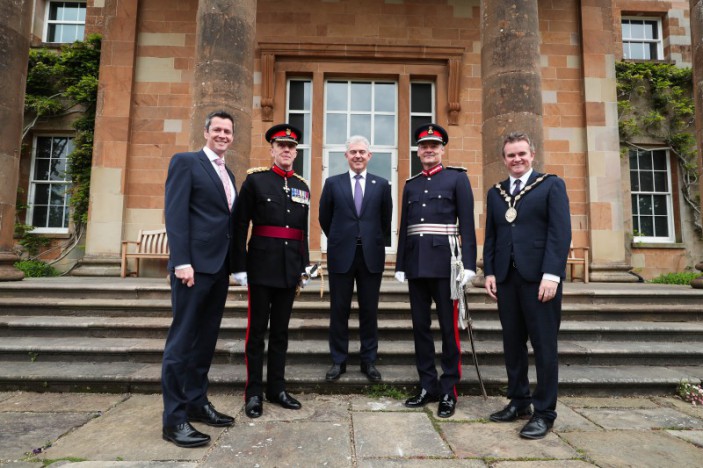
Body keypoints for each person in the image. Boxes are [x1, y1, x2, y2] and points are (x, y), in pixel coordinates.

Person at [483, 131, 571, 440]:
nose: (517, 159)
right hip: (507, 279)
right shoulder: (496, 193)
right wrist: (490, 272)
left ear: (532, 155)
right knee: (512, 344)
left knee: (544, 346)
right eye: (511, 155)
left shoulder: (551, 185)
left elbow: (560, 234)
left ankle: (544, 412)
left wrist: (552, 275)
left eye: (522, 153)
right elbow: (491, 236)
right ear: (504, 159)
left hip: (539, 281)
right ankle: (519, 401)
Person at [161, 110, 237, 448]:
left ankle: (196, 401)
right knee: (182, 343)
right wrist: (181, 261)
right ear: (205, 132)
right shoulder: (186, 162)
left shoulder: (228, 172)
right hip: (192, 269)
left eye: (228, 131)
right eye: (217, 129)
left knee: (205, 341)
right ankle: (174, 419)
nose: (223, 135)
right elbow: (176, 214)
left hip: (217, 270)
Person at [395, 123, 477, 418]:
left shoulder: (457, 179)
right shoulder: (411, 184)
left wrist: (470, 264)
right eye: (424, 146)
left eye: (434, 145)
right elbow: (405, 227)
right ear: (418, 151)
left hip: (446, 267)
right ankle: (427, 386)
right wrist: (401, 264)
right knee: (420, 329)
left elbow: (467, 223)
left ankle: (448, 390)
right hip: (417, 266)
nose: (428, 150)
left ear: (442, 149)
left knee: (448, 329)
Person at [232, 123, 310, 419]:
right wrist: (239, 266)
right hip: (261, 267)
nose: (287, 150)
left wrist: (303, 266)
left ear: (296, 151)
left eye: (291, 147)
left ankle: (276, 388)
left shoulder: (302, 186)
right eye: (281, 146)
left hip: (289, 269)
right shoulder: (256, 181)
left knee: (280, 332)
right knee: (256, 333)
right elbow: (240, 225)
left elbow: (301, 232)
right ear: (272, 150)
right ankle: (253, 393)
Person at [319, 135, 393, 383]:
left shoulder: (382, 185)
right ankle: (338, 361)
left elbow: (386, 220)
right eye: (353, 152)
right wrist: (342, 239)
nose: (358, 155)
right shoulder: (332, 183)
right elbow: (324, 218)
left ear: (369, 156)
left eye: (362, 152)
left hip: (370, 256)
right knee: (339, 310)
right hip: (342, 255)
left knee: (369, 311)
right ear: (346, 156)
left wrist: (369, 240)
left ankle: (368, 361)